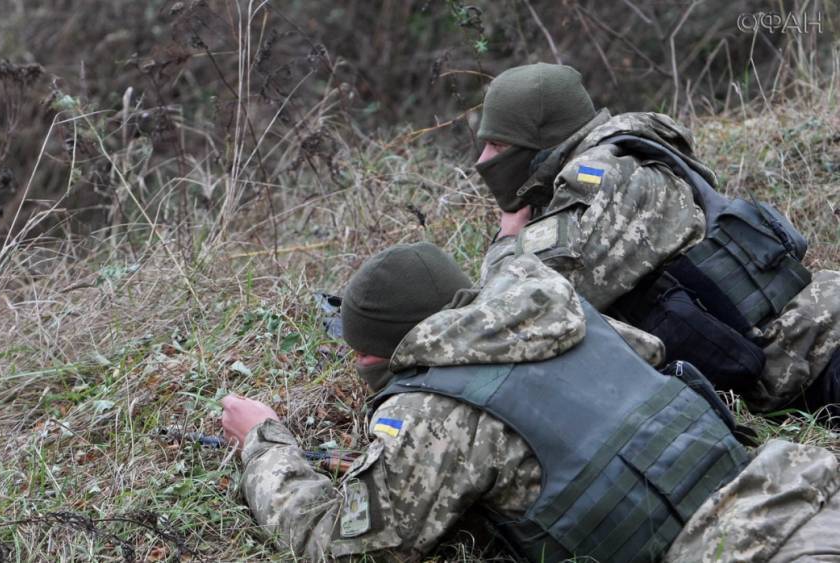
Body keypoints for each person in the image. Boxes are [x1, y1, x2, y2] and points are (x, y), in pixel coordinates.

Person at [221, 242, 840, 562]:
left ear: (375, 354)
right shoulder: (575, 317)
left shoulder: (431, 413)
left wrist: (264, 441)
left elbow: (340, 546)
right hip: (800, 490)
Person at [473, 62, 840, 415]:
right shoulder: (624, 157)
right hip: (803, 350)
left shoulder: (599, 177)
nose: (482, 160)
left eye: (499, 146)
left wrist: (507, 240)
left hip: (817, 351)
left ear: (544, 141)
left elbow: (523, 308)